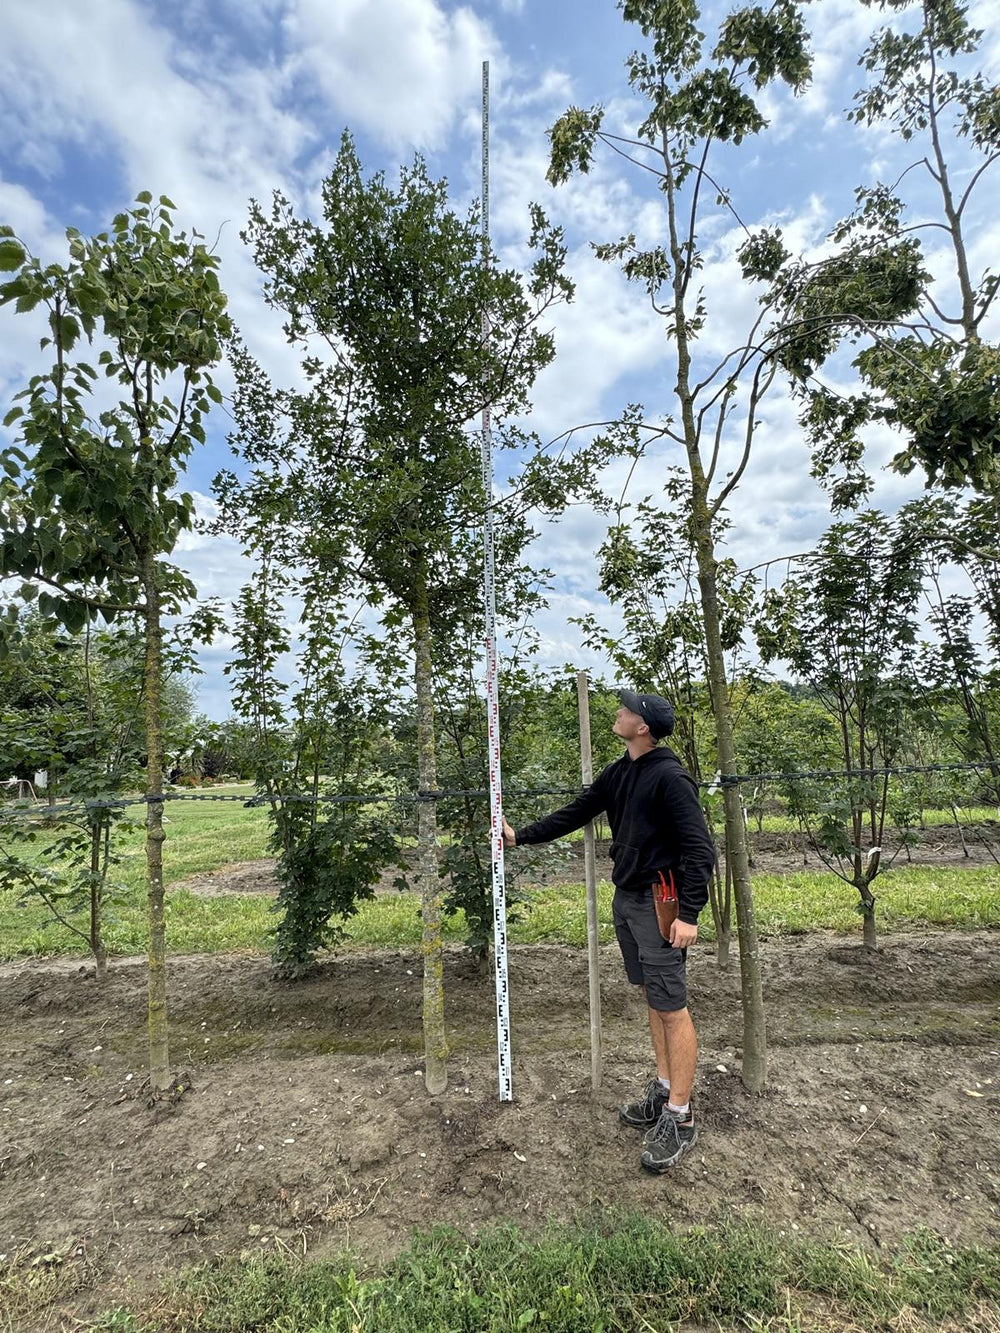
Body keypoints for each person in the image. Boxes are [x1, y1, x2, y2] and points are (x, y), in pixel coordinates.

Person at [501, 689, 715, 1172]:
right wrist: (522, 836)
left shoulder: (670, 777)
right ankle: (663, 1092)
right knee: (654, 1000)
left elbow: (701, 850)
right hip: (628, 897)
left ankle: (680, 1118)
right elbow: (581, 809)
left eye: (626, 709)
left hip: (659, 904)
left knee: (672, 1006)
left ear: (643, 727)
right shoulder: (622, 771)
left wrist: (690, 915)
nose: (618, 712)